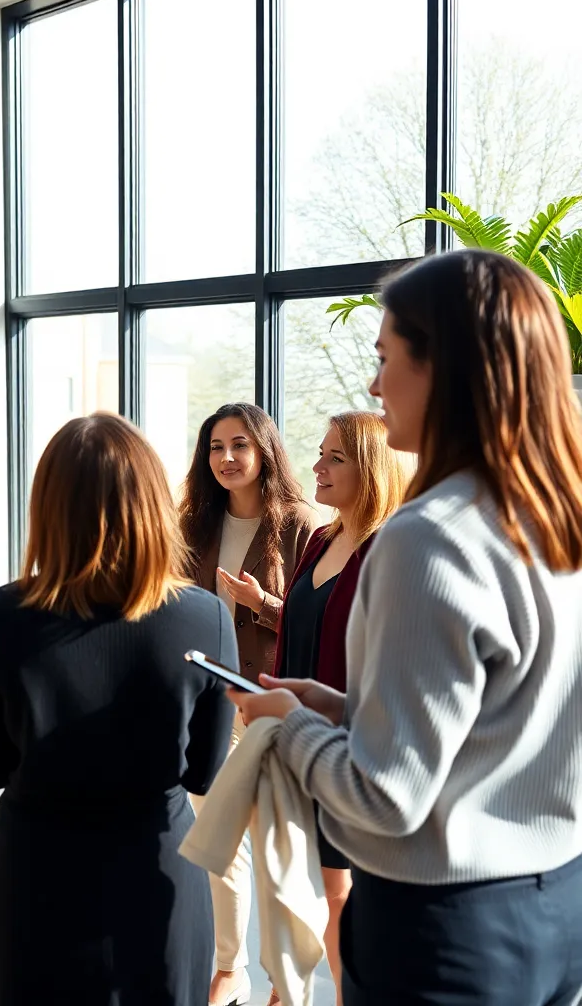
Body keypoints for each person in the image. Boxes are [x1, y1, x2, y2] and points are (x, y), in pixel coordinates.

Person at [238, 250, 582, 1005]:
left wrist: (292, 725)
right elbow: (506, 716)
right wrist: (344, 709)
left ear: (446, 373)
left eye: (385, 357)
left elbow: (385, 797)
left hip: (445, 933)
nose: (373, 385)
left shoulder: (429, 537)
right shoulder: (558, 519)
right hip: (555, 909)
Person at [0, 412, 237, 1006]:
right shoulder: (205, 616)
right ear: (153, 502)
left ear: (47, 505)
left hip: (36, 873)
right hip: (159, 867)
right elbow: (205, 772)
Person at [178, 402, 318, 1006]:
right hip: (207, 704)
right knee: (220, 845)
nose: (226, 458)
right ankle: (229, 970)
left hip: (270, 706)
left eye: (239, 445)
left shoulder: (303, 527)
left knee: (278, 851)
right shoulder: (193, 526)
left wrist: (262, 603)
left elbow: (316, 626)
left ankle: (286, 981)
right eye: (215, 447)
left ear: (265, 452)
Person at [271, 410, 410, 1005]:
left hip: (347, 747)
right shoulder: (322, 539)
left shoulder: (388, 550)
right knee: (298, 887)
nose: (317, 467)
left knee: (337, 896)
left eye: (334, 458)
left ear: (371, 467)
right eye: (321, 454)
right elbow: (299, 629)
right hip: (294, 738)